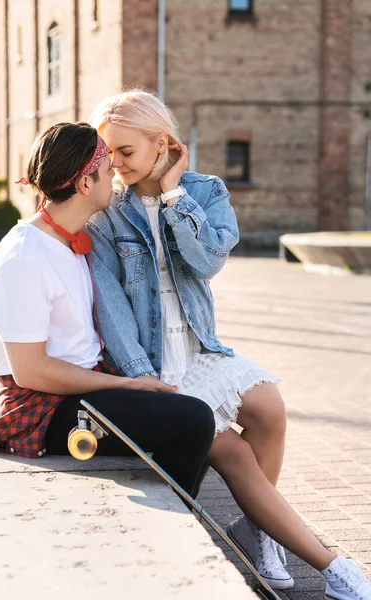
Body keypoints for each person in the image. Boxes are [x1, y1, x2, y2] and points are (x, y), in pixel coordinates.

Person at [87, 90, 371, 598]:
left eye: (125, 151)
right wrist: (139, 378)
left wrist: (174, 197)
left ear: (162, 144)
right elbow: (111, 307)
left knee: (270, 407)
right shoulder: (107, 211)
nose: (115, 164)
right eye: (108, 153)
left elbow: (207, 262)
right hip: (151, 364)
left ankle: (258, 530)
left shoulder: (205, 191)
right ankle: (333, 568)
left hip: (199, 348)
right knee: (237, 456)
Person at [0, 121, 217, 501]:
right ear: (85, 184)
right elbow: (31, 370)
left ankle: (170, 505)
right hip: (45, 407)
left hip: (82, 388)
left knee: (195, 411)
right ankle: (167, 521)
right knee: (193, 420)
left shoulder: (69, 241)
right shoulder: (23, 257)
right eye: (107, 171)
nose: (116, 177)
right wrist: (129, 385)